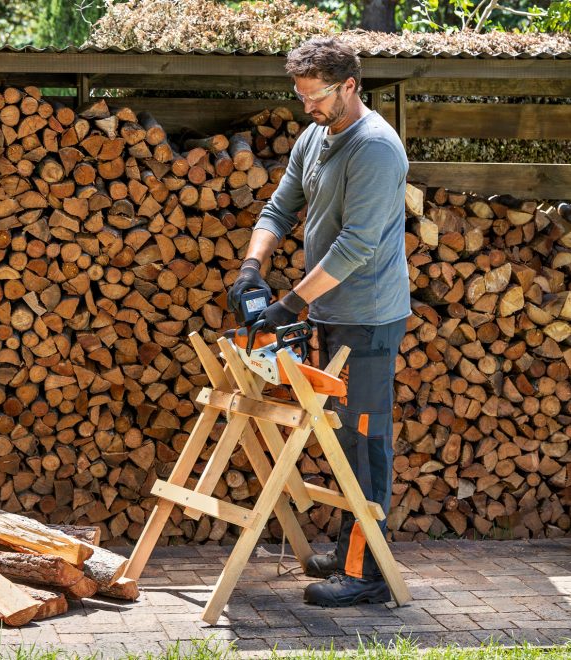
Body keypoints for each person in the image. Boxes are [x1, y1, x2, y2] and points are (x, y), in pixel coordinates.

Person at [226, 37, 410, 607]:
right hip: (329, 312)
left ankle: (369, 575)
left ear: (350, 85)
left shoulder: (376, 149)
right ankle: (355, 547)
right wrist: (252, 268)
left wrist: (290, 305)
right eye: (302, 97)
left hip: (368, 319)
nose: (307, 108)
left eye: (316, 97)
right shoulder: (315, 136)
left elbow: (355, 245)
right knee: (339, 441)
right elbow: (279, 207)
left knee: (365, 439)